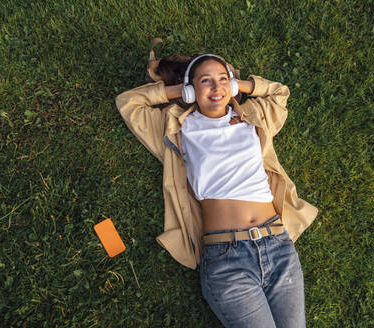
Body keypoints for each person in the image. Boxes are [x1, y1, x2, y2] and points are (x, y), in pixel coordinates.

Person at [115, 47, 318, 327]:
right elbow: (128, 102)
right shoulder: (176, 127)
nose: (216, 87)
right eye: (205, 80)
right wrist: (176, 92)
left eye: (223, 79)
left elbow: (279, 93)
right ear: (191, 88)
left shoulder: (254, 118)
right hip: (227, 256)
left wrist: (241, 85)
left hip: (278, 246)